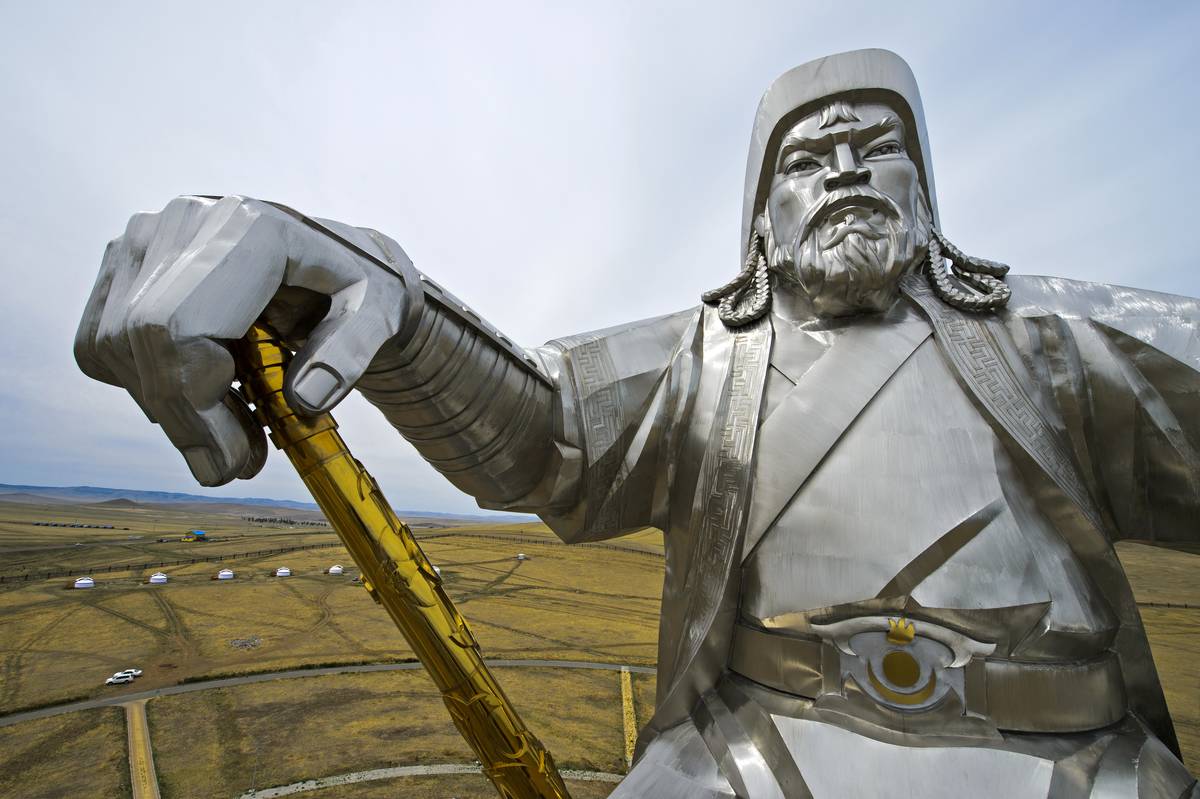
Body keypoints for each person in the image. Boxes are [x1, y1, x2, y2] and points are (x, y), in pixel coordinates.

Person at [75, 49, 1198, 797]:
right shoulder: (709, 359)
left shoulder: (1056, 340)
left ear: (926, 186)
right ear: (763, 215)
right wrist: (381, 301)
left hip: (1074, 758)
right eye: (807, 158)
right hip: (751, 757)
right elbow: (545, 433)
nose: (847, 168)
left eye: (877, 143)